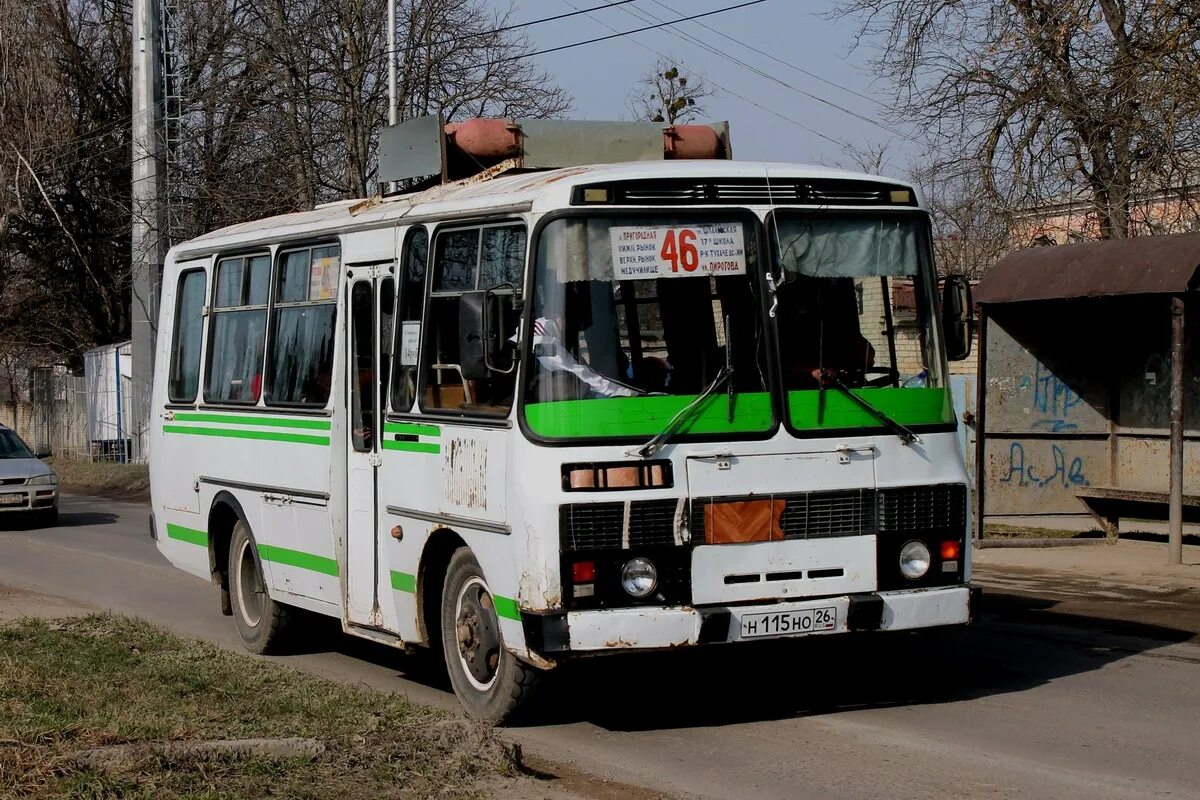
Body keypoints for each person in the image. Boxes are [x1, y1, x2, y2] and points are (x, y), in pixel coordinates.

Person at [519, 316, 640, 398]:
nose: (579, 327)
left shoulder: (559, 336)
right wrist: (630, 394)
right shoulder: (538, 333)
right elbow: (580, 375)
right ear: (559, 314)